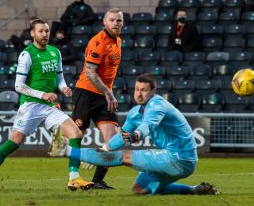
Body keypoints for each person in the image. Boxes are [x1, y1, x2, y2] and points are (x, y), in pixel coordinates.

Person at [0, 18, 93, 193]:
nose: (45, 34)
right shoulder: (27, 54)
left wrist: (64, 87)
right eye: (41, 31)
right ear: (32, 34)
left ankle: (74, 178)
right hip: (30, 106)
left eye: (46, 31)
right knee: (14, 142)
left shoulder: (55, 52)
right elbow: (18, 86)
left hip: (49, 106)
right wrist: (42, 94)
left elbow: (59, 77)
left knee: (75, 133)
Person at [53, 74, 220, 195]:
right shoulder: (135, 112)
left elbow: (148, 125)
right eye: (137, 89)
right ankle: (194, 190)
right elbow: (121, 136)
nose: (139, 94)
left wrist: (136, 135)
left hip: (179, 157)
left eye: (144, 90)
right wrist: (104, 148)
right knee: (139, 190)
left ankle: (65, 151)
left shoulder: (157, 106)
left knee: (124, 157)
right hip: (176, 160)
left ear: (153, 91)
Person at [71, 7, 123, 189]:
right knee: (77, 136)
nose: (116, 23)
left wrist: (107, 92)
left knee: (113, 140)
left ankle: (98, 180)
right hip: (86, 92)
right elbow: (90, 72)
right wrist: (108, 92)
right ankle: (73, 177)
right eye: (112, 20)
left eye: (119, 20)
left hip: (103, 95)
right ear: (104, 22)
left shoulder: (118, 41)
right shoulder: (98, 42)